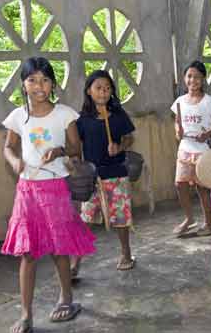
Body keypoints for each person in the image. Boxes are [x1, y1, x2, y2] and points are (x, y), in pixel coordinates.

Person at [1, 57, 96, 333]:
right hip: (27, 190)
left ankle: (67, 298)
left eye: (44, 80)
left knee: (59, 248)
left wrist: (60, 151)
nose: (39, 85)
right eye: (32, 80)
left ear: (53, 83)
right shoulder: (18, 116)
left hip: (56, 188)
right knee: (28, 253)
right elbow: (8, 147)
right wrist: (15, 161)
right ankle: (26, 314)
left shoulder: (64, 114)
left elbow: (77, 149)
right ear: (24, 84)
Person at [75, 70, 136, 271]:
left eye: (107, 88)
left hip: (117, 174)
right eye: (99, 88)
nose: (103, 92)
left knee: (120, 218)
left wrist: (120, 146)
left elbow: (129, 137)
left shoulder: (118, 115)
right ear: (89, 91)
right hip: (93, 178)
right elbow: (76, 145)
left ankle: (126, 253)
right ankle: (75, 263)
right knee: (86, 220)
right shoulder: (82, 120)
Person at [171, 60, 211, 237]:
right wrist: (178, 130)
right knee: (180, 184)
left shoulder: (209, 102)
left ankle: (208, 223)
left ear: (203, 79)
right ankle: (189, 218)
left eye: (197, 77)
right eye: (190, 76)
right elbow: (177, 122)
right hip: (184, 149)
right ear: (185, 78)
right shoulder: (179, 101)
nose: (193, 80)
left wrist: (206, 135)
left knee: (202, 189)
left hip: (202, 151)